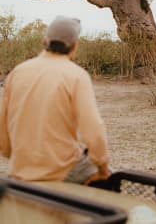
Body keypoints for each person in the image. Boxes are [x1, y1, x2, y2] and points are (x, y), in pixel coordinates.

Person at [0, 15, 110, 184]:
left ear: (45, 41)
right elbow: (93, 128)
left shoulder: (18, 72)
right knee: (112, 183)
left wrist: (15, 157)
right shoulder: (76, 75)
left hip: (20, 170)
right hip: (62, 170)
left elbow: (3, 126)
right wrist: (102, 168)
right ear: (74, 46)